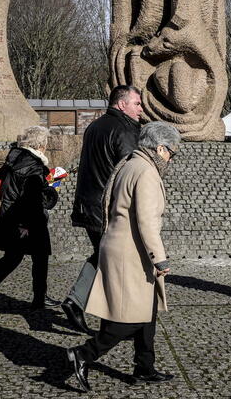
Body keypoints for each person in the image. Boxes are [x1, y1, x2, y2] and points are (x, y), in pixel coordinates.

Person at [67, 122, 179, 391]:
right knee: (131, 319)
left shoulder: (129, 162)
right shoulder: (147, 173)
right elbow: (147, 222)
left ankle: (144, 367)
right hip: (132, 252)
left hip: (120, 246)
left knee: (147, 312)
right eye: (171, 153)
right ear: (160, 148)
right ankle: (83, 354)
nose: (171, 159)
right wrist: (160, 259)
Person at [61, 85, 143, 334]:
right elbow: (132, 172)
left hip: (89, 204)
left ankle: (77, 302)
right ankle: (114, 322)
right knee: (118, 262)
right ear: (121, 104)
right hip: (108, 207)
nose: (141, 109)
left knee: (102, 256)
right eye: (137, 103)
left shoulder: (94, 127)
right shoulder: (125, 129)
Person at [0, 126, 60, 310]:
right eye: (46, 143)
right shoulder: (34, 166)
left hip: (9, 214)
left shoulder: (14, 159)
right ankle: (37, 298)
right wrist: (27, 223)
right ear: (41, 145)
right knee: (37, 256)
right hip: (27, 217)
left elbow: (3, 184)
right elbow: (32, 197)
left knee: (15, 255)